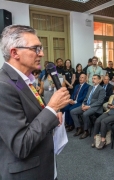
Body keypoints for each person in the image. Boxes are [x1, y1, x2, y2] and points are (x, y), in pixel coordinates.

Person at [0, 25, 70, 180]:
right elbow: (21, 144)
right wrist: (52, 108)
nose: (42, 53)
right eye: (36, 48)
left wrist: (53, 115)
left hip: (44, 166)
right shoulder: (3, 86)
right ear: (14, 52)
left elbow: (33, 116)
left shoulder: (24, 80)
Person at [70, 74, 106, 139]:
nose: (93, 80)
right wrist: (83, 104)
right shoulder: (90, 87)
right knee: (72, 111)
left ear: (99, 80)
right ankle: (79, 128)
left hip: (95, 107)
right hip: (86, 105)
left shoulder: (101, 89)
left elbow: (99, 102)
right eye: (92, 78)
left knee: (85, 114)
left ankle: (86, 131)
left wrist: (89, 107)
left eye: (95, 79)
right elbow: (86, 97)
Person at [92, 84, 114, 149]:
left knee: (104, 121)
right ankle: (95, 138)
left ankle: (103, 140)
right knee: (98, 120)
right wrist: (109, 106)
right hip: (109, 112)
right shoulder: (111, 96)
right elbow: (108, 104)